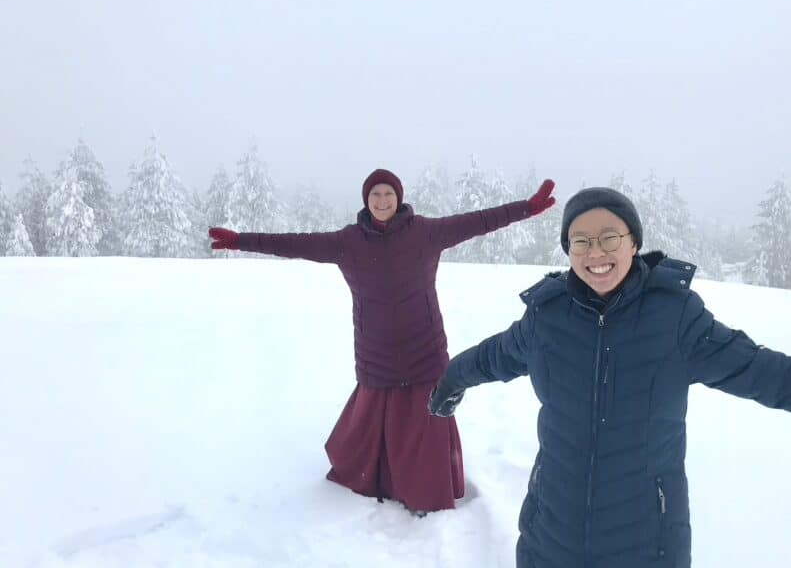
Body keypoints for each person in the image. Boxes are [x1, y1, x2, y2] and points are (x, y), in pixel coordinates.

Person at [429, 187, 791, 567]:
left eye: (609, 238)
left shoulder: (676, 319)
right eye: (581, 241)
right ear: (568, 251)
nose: (595, 252)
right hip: (550, 535)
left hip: (645, 541)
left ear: (634, 242)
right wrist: (452, 380)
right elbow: (494, 356)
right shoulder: (546, 319)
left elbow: (766, 372)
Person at [208, 168, 556, 514]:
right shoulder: (347, 242)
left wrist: (527, 207)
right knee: (374, 423)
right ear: (366, 200)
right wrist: (241, 240)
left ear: (399, 198)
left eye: (388, 194)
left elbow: (479, 220)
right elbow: (293, 243)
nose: (382, 200)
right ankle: (371, 481)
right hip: (376, 350)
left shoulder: (426, 233)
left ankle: (426, 492)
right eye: (375, 195)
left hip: (424, 345)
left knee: (426, 420)